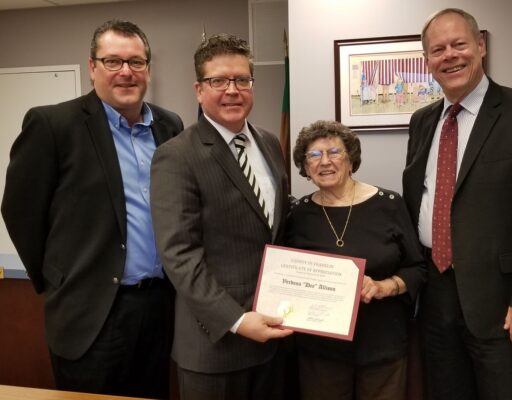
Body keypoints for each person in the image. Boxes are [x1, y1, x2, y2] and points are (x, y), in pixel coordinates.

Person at [1, 19, 183, 398]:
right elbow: (20, 211)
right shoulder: (53, 124)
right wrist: (57, 278)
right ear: (92, 67)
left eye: (136, 62)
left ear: (148, 68)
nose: (126, 72)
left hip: (158, 307)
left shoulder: (169, 125)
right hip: (91, 312)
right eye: (113, 61)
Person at [402, 8, 512, 400]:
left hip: (504, 303)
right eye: (437, 49)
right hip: (436, 295)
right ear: (427, 60)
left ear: (480, 45)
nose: (450, 56)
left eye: (459, 44)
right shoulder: (423, 121)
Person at [150, 34, 293, 400]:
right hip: (214, 346)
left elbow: (276, 228)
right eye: (218, 81)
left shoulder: (269, 143)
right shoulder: (177, 155)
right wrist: (238, 320)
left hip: (272, 339)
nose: (232, 90)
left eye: (242, 79)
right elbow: (179, 255)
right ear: (199, 90)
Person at [286, 120, 426, 400]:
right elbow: (286, 274)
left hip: (381, 345)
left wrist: (386, 286)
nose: (325, 162)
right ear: (305, 167)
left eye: (334, 152)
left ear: (351, 159)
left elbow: (417, 267)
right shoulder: (299, 213)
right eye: (314, 155)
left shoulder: (389, 204)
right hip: (320, 352)